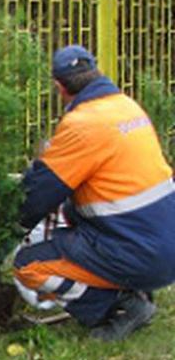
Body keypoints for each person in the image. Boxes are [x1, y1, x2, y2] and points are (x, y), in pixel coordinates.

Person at [13, 45, 175, 341]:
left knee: (29, 264)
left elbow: (36, 198)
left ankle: (122, 306)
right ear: (96, 71)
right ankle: (135, 287)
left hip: (142, 254)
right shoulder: (127, 106)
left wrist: (7, 222)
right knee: (75, 215)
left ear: (60, 87)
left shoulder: (82, 125)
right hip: (164, 244)